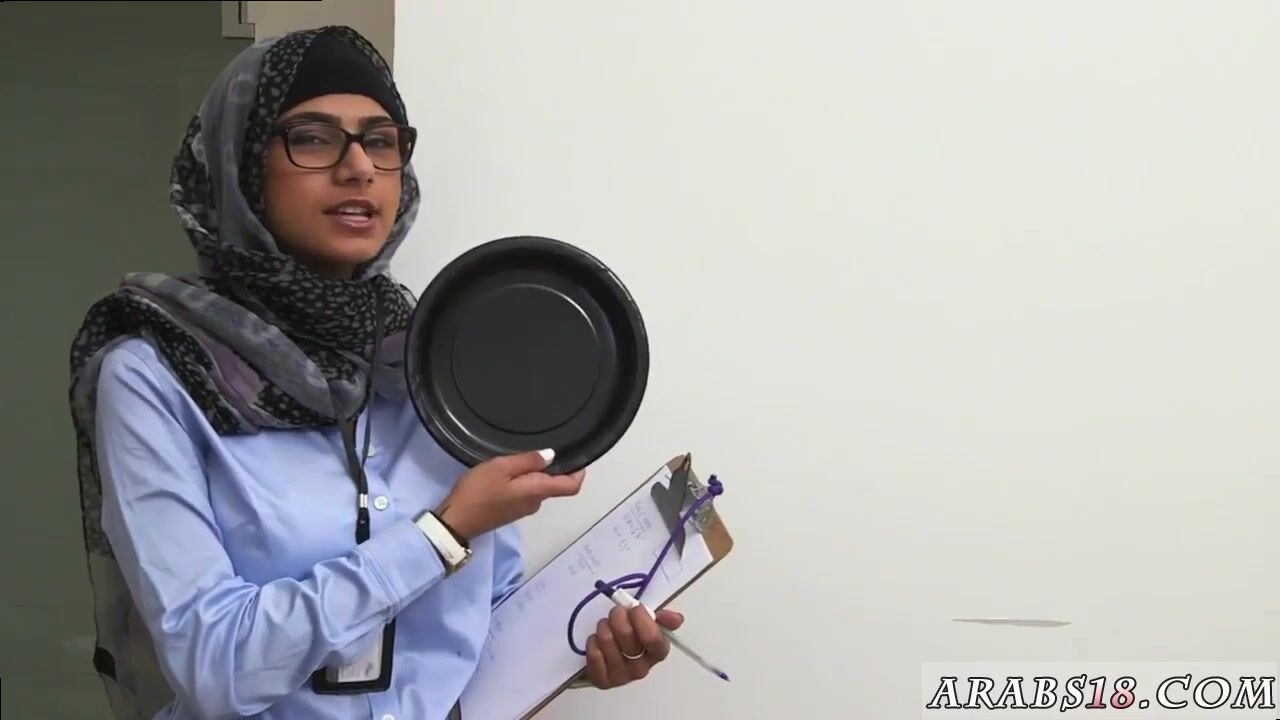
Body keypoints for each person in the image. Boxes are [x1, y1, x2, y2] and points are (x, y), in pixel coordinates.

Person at [68, 25, 683, 720]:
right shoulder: (157, 373)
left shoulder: (437, 361)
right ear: (241, 166)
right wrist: (441, 534)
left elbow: (476, 627)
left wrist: (580, 653)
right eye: (313, 138)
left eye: (382, 141)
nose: (359, 166)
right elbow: (215, 666)